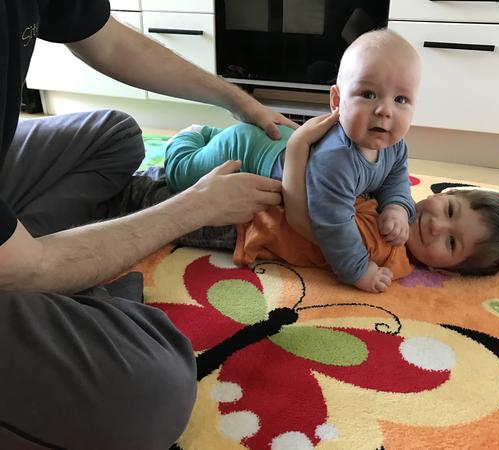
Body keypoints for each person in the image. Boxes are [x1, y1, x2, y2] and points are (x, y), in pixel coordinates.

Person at [0, 2, 298, 449]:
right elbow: (24, 268)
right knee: (155, 391)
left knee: (115, 135)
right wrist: (194, 207)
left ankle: (48, 251)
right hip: (14, 264)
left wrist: (239, 99)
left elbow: (108, 39)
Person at [165, 29, 422, 293]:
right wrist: (359, 269)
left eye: (400, 99)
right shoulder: (336, 160)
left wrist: (396, 208)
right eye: (368, 94)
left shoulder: (395, 147)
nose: (385, 110)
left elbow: (396, 180)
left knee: (217, 142)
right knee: (180, 174)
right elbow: (333, 227)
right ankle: (190, 135)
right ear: (337, 101)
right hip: (248, 150)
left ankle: (212, 135)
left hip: (278, 141)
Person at [166, 115, 499, 292]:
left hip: (273, 169)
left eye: (451, 242)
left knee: (203, 163)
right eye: (448, 211)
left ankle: (203, 135)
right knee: (180, 172)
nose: (435, 226)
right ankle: (191, 134)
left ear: (445, 270)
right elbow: (393, 181)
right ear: (441, 195)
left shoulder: (392, 253)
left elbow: (330, 225)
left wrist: (361, 268)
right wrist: (396, 208)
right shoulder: (396, 212)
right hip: (263, 153)